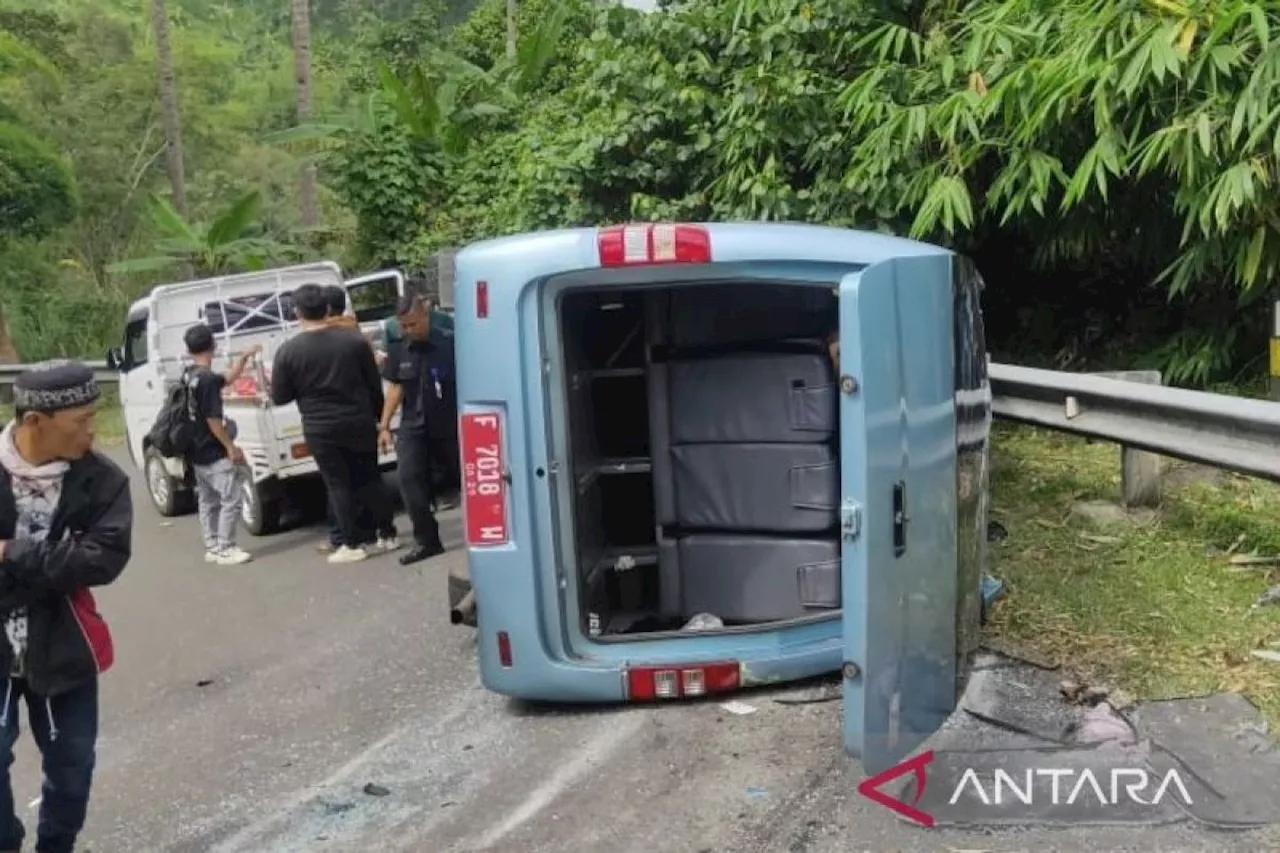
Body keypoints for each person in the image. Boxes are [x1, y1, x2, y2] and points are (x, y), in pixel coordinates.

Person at [0, 360, 131, 853]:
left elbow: (102, 561)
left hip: (63, 646)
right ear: (35, 421)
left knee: (72, 768)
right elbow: (75, 559)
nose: (92, 431)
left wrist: (13, 552)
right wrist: (56, 562)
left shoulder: (102, 480)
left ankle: (56, 846)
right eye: (81, 421)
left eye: (95, 417)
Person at [271, 283, 397, 564]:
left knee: (338, 483)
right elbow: (372, 384)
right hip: (359, 419)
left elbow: (280, 396)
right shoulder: (353, 341)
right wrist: (380, 420)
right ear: (326, 309)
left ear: (297, 312)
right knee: (370, 476)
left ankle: (351, 543)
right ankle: (387, 534)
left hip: (320, 426)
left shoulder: (288, 351)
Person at [378, 294, 451, 565]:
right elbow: (396, 387)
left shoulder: (449, 341)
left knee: (465, 480)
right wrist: (384, 425)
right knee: (408, 481)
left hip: (448, 423)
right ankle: (427, 541)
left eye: (412, 324)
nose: (408, 331)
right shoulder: (399, 349)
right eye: (403, 326)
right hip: (412, 424)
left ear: (425, 315)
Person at [182, 324, 260, 566]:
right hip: (213, 450)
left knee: (208, 501)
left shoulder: (191, 375)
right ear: (213, 346)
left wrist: (243, 358)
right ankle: (226, 547)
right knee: (231, 498)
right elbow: (213, 420)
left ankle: (213, 545)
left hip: (196, 449)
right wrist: (230, 446)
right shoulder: (206, 381)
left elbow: (226, 378)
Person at [315, 285, 375, 555]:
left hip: (327, 421)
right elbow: (372, 378)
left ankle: (343, 538)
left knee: (337, 482)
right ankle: (372, 532)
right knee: (364, 476)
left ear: (326, 310)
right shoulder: (356, 333)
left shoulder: (324, 338)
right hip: (360, 415)